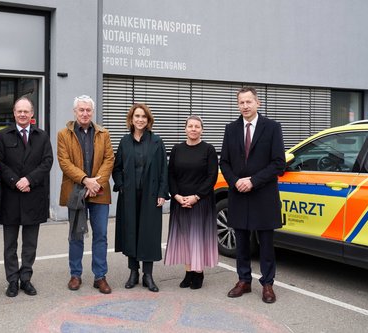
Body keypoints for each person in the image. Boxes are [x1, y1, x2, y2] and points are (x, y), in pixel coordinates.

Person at [219, 86, 285, 304]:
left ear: (258, 103)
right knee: (242, 241)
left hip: (263, 193)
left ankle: (267, 284)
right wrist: (235, 181)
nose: (245, 106)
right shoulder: (230, 129)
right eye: (241, 103)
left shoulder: (273, 127)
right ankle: (243, 281)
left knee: (266, 243)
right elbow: (225, 162)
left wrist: (253, 181)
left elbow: (278, 163)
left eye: (248, 102)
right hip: (238, 193)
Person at [57, 95, 115, 294]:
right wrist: (85, 180)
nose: (84, 113)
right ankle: (75, 274)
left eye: (88, 110)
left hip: (99, 192)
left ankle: (100, 277)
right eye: (81, 110)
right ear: (75, 112)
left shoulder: (103, 133)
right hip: (76, 191)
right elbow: (64, 163)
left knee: (101, 235)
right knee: (76, 235)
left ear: (92, 112)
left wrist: (96, 183)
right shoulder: (64, 134)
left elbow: (109, 159)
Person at [0, 97, 53, 298]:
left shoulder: (42, 136)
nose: (22, 114)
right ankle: (12, 280)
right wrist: (15, 181)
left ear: (32, 114)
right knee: (10, 244)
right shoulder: (2, 136)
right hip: (10, 197)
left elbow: (47, 162)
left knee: (30, 243)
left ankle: (26, 278)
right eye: (19, 111)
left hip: (33, 196)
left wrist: (28, 180)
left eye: (26, 111)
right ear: (14, 113)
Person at [112, 103, 169, 292]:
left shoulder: (156, 141)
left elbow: (163, 170)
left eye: (143, 117)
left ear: (148, 120)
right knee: (131, 232)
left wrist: (162, 193)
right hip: (129, 196)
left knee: (149, 234)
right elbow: (117, 167)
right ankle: (133, 272)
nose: (140, 119)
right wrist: (120, 186)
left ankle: (148, 275)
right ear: (131, 119)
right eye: (137, 116)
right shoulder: (125, 141)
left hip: (150, 196)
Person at [164, 115, 219, 289]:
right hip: (180, 200)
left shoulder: (208, 149)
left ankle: (198, 273)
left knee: (198, 238)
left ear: (202, 129)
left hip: (201, 200)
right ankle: (188, 273)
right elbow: (170, 174)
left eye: (197, 126)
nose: (193, 129)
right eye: (190, 126)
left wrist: (196, 197)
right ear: (185, 129)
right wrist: (176, 195)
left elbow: (212, 176)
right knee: (184, 238)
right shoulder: (177, 149)